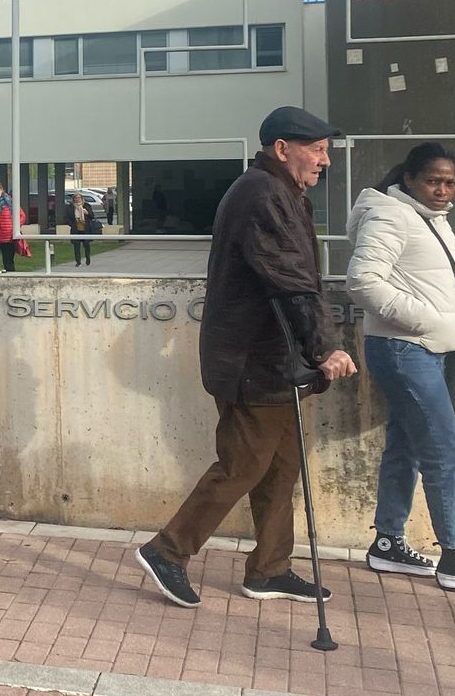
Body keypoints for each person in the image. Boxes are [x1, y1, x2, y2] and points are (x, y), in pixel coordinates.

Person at [136, 107, 358, 608]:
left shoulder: (281, 192)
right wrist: (325, 347)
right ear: (283, 149)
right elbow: (291, 280)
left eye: (326, 150)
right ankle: (167, 551)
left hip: (274, 362)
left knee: (280, 467)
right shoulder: (262, 195)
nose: (325, 161)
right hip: (251, 364)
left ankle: (269, 570)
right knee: (242, 464)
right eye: (317, 150)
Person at [346, 143, 455, 592]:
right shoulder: (391, 215)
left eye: (449, 182)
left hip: (424, 350)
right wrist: (430, 321)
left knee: (405, 447)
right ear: (410, 180)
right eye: (433, 181)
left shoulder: (429, 218)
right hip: (406, 348)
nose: (442, 190)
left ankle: (387, 543)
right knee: (443, 452)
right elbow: (362, 281)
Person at [69, 193, 94, 267]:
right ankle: (78, 261)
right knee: (76, 246)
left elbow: (92, 216)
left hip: (85, 229)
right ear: (74, 199)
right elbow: (66, 218)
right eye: (76, 198)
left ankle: (87, 258)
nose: (77, 199)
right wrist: (73, 223)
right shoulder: (70, 207)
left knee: (86, 245)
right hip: (75, 229)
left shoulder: (86, 205)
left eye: (79, 198)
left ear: (82, 198)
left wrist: (87, 213)